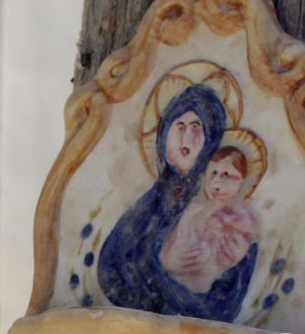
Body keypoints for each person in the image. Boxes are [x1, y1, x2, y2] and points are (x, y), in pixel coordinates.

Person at [96, 81, 223, 316]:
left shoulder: (214, 200)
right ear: (164, 135)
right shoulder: (152, 202)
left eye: (197, 127)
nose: (187, 137)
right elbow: (114, 262)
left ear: (211, 140)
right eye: (180, 126)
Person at [159, 131, 263, 303]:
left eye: (226, 175)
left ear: (242, 181)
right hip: (177, 282)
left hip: (208, 290)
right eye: (213, 173)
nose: (215, 182)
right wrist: (172, 260)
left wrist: (231, 254)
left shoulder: (240, 214)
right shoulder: (193, 207)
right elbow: (170, 243)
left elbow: (244, 244)